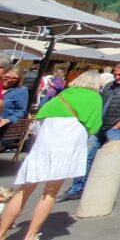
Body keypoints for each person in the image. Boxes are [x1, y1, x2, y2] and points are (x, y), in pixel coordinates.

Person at [0, 70, 103, 240]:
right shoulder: (94, 98)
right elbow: (94, 126)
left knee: (24, 190)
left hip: (44, 144)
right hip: (68, 146)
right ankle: (31, 235)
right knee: (50, 192)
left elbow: (40, 118)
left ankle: (1, 233)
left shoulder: (63, 94)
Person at [60, 62, 120, 201]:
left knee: (110, 160)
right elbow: (99, 102)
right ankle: (77, 189)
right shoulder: (109, 85)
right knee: (87, 157)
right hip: (99, 125)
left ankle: (101, 191)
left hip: (116, 128)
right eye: (116, 74)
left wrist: (119, 125)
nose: (117, 77)